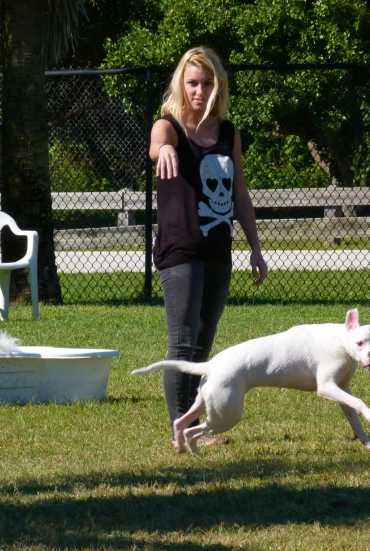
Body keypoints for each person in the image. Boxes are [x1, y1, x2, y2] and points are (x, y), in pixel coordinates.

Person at [149, 46, 268, 453]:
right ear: (182, 84)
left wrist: (255, 247)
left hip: (219, 252)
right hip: (180, 249)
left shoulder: (228, 133)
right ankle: (178, 432)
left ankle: (191, 424)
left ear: (218, 84)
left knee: (203, 345)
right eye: (192, 83)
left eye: (207, 83)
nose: (199, 91)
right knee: (182, 343)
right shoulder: (168, 126)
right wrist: (164, 149)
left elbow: (239, 195)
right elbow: (157, 142)